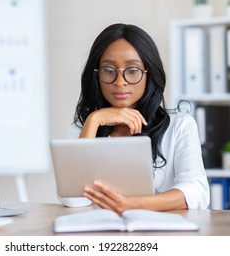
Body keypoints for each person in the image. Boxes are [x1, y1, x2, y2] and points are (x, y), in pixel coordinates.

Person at [59, 23, 209, 213]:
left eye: (132, 70)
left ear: (149, 73)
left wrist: (132, 204)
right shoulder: (84, 128)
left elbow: (196, 192)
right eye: (108, 70)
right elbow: (72, 199)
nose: (119, 82)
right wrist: (94, 119)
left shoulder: (180, 125)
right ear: (96, 75)